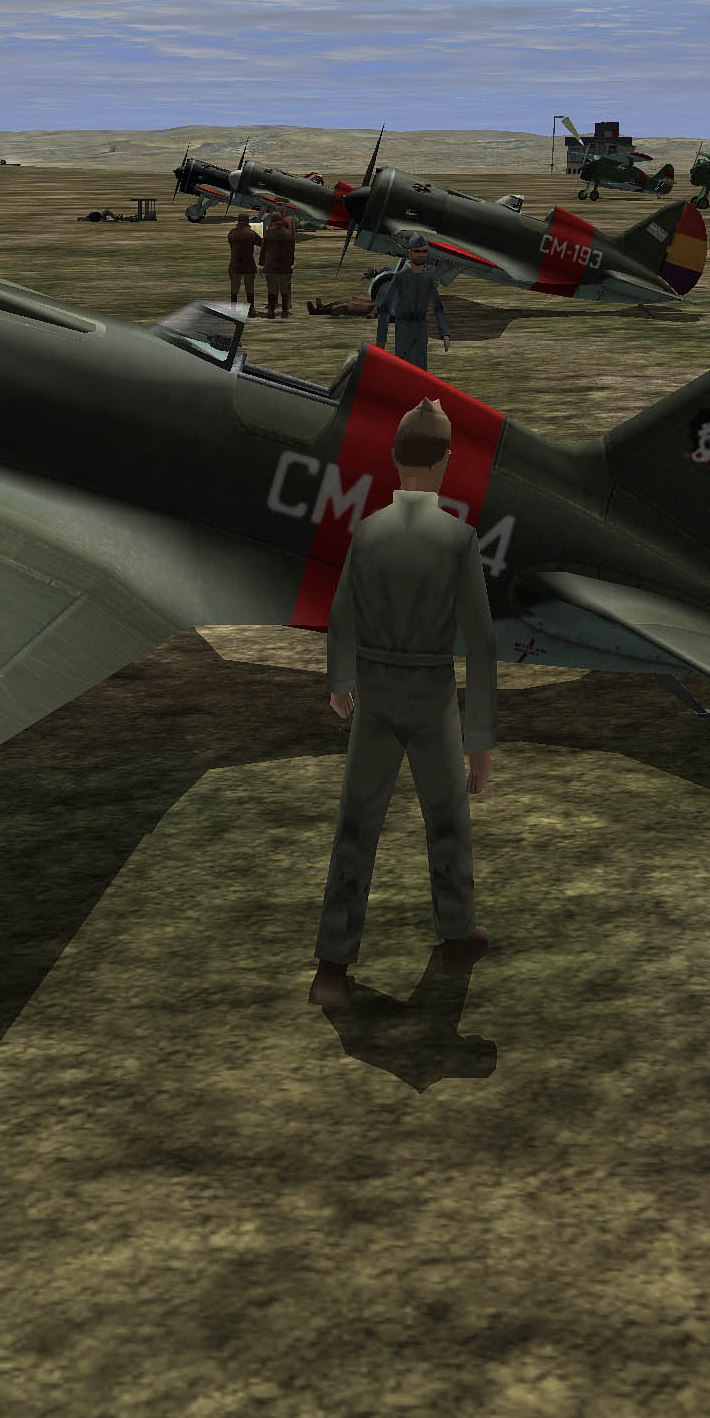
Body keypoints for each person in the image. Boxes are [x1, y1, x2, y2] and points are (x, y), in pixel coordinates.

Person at [310, 399, 496, 1009]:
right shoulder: (458, 539)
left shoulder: (367, 532)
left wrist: (340, 682)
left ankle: (332, 964)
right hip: (431, 696)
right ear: (446, 462)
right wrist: (479, 742)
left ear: (393, 459)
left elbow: (341, 615)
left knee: (356, 825)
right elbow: (482, 644)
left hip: (375, 693)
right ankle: (456, 934)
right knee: (447, 821)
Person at [372, 237, 451, 370]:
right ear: (410, 252)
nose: (421, 255)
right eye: (417, 251)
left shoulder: (428, 278)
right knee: (403, 368)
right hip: (403, 328)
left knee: (421, 368)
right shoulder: (400, 277)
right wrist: (381, 340)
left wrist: (444, 333)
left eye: (424, 251)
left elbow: (437, 307)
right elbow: (385, 308)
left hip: (421, 328)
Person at [260, 213, 298, 317]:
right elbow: (291, 251)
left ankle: (271, 312)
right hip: (285, 266)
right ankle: (284, 312)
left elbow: (263, 250)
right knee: (284, 289)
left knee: (271, 289)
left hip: (271, 266)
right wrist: (291, 263)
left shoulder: (268, 233)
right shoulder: (288, 234)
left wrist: (261, 264)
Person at [226, 215, 263, 311]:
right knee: (249, 289)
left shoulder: (232, 233)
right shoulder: (251, 233)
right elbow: (262, 243)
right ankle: (251, 310)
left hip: (235, 265)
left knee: (234, 290)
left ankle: (233, 310)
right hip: (248, 265)